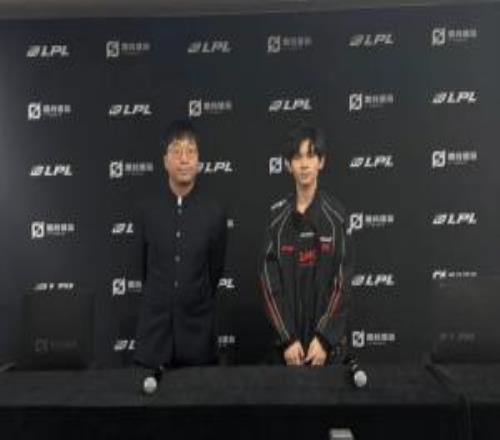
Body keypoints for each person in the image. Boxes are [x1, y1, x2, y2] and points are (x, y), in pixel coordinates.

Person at [132, 119, 227, 386]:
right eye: (176, 151)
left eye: (190, 151)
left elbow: (214, 272)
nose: (184, 159)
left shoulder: (214, 213)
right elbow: (142, 269)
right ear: (165, 160)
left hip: (198, 338)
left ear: (198, 160)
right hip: (154, 338)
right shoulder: (147, 211)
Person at [260, 125, 353, 366]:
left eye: (311, 156)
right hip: (288, 352)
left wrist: (323, 339)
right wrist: (288, 338)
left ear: (321, 162)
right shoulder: (277, 220)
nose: (304, 165)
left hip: (326, 352)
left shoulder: (336, 217)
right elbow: (269, 285)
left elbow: (342, 284)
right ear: (288, 165)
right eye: (297, 157)